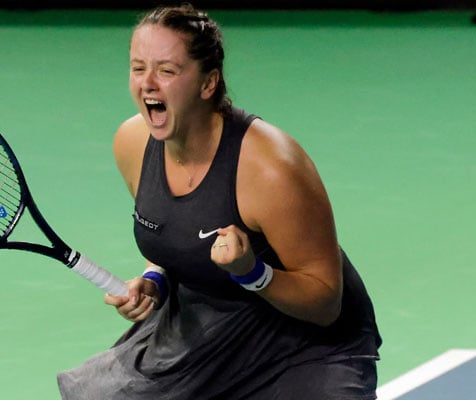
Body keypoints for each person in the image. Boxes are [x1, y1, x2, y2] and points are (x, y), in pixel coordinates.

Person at [57, 4, 381, 399]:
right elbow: (176, 235)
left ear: (208, 83)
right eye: (138, 68)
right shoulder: (132, 143)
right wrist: (154, 281)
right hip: (203, 331)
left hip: (305, 345)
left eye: (167, 70)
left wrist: (251, 272)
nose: (148, 84)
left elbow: (325, 303)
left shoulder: (270, 167)